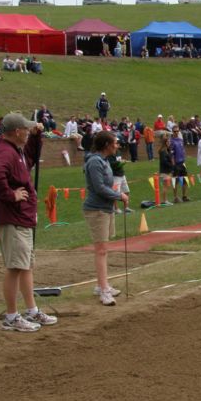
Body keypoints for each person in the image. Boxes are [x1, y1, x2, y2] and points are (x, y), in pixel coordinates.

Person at [0, 113, 57, 332]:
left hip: (21, 217)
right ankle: (11, 316)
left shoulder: (16, 151)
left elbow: (29, 159)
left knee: (26, 265)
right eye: (25, 129)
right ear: (16, 131)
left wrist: (36, 137)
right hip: (12, 217)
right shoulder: (5, 153)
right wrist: (11, 195)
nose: (27, 131)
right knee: (16, 266)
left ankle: (32, 310)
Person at [83, 131, 129, 306]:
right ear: (106, 145)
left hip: (106, 208)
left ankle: (102, 284)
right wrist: (119, 196)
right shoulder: (95, 161)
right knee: (101, 250)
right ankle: (103, 290)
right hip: (96, 210)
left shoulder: (104, 160)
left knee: (104, 248)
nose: (117, 146)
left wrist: (118, 194)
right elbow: (99, 187)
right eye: (115, 143)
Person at [169, 125, 189, 202]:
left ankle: (184, 196)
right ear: (172, 132)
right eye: (175, 131)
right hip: (176, 164)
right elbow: (171, 154)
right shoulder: (171, 141)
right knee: (175, 181)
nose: (176, 132)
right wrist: (173, 165)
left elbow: (183, 150)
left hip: (182, 163)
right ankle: (175, 197)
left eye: (177, 131)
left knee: (185, 180)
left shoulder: (180, 140)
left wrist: (184, 159)